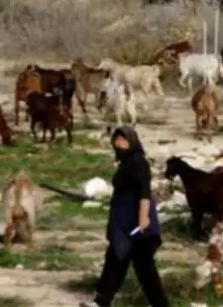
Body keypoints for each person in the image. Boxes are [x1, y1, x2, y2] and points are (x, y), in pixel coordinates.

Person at [80, 125, 169, 307]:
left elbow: (144, 191)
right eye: (117, 139)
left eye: (124, 139)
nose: (120, 143)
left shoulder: (139, 162)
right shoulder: (126, 163)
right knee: (116, 260)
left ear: (132, 141)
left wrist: (144, 218)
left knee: (143, 268)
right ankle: (101, 302)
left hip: (136, 222)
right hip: (124, 221)